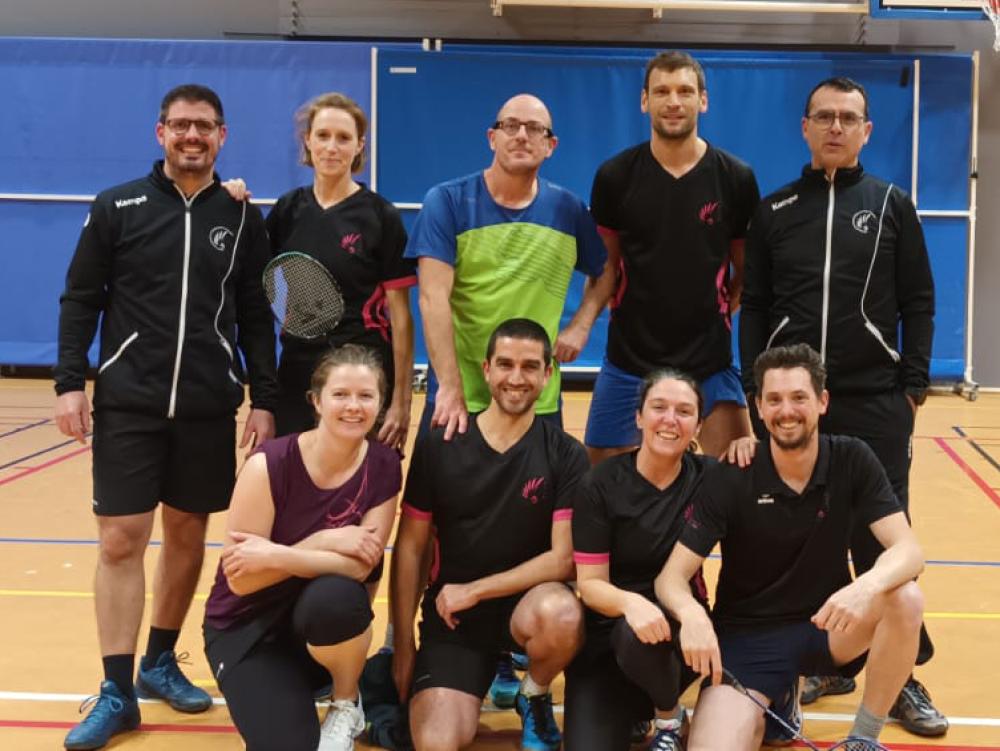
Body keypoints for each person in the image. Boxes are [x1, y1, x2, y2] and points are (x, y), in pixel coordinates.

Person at [53, 84, 278, 750]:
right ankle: (117, 689)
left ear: (222, 136)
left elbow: (256, 314)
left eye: (204, 127)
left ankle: (159, 660)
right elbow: (80, 298)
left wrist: (262, 396)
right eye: (180, 125)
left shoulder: (241, 216)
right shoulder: (116, 206)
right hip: (128, 402)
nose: (192, 136)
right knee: (121, 538)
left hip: (209, 405)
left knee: (186, 535)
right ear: (160, 133)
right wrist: (71, 382)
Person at [739, 76, 944, 736]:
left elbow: (918, 299)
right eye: (823, 116)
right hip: (796, 404)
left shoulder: (891, 205)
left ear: (866, 131)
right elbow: (754, 306)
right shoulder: (774, 211)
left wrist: (912, 386)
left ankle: (901, 671)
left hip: (875, 397)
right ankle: (831, 653)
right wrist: (754, 387)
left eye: (848, 117)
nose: (835, 126)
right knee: (806, 535)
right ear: (804, 127)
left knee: (879, 536)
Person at [657, 343, 926, 750]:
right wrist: (691, 614)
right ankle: (779, 698)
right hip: (747, 639)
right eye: (774, 400)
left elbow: (909, 551)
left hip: (828, 626)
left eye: (799, 397)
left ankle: (863, 740)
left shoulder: (852, 458)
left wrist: (865, 587)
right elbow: (670, 578)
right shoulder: (732, 474)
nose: (787, 411)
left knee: (904, 596)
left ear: (822, 401)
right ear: (759, 408)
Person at [391, 318, 588, 751]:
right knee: (437, 742)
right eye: (505, 364)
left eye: (530, 367)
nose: (516, 379)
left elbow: (563, 560)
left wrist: (476, 589)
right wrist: (403, 640)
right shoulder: (441, 443)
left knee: (563, 613)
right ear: (486, 369)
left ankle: (533, 691)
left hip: (526, 609)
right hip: (454, 620)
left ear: (548, 375)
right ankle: (467, 674)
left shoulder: (566, 454)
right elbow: (410, 546)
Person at [203, 345, 401, 751]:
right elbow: (242, 581)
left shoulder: (383, 465)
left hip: (319, 628)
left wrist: (277, 554)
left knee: (337, 598)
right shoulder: (268, 464)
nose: (353, 406)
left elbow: (361, 567)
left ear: (380, 403)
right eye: (341, 394)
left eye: (366, 396)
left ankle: (346, 703)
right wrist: (323, 540)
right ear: (316, 401)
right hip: (247, 629)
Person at [584, 51, 760, 465]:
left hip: (710, 364)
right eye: (661, 91)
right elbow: (606, 268)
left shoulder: (736, 178)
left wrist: (714, 309)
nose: (674, 101)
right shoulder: (615, 177)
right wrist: (580, 325)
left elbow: (746, 271)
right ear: (644, 101)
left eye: (685, 91)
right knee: (600, 486)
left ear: (704, 100)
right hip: (629, 361)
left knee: (738, 483)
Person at [406, 93, 615, 442]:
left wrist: (580, 325)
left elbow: (606, 269)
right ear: (492, 138)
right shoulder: (446, 202)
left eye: (535, 129)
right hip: (460, 398)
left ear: (551, 145)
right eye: (510, 126)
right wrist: (450, 388)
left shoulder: (569, 210)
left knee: (542, 498)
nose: (521, 135)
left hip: (538, 400)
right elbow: (432, 299)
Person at [565, 369, 712, 751]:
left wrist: (749, 444)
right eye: (659, 407)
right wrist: (632, 602)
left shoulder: (712, 479)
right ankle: (637, 709)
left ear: (699, 424)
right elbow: (591, 585)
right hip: (607, 638)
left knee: (640, 637)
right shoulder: (600, 484)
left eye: (684, 411)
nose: (669, 419)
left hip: (681, 636)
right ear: (638, 417)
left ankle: (668, 719)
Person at [264, 92, 416, 449]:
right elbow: (261, 290)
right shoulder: (287, 211)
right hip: (298, 370)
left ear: (359, 145)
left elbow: (401, 318)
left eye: (344, 138)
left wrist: (401, 402)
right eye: (323, 135)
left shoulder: (382, 217)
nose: (332, 147)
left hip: (363, 374)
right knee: (294, 487)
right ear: (308, 141)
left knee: (363, 491)